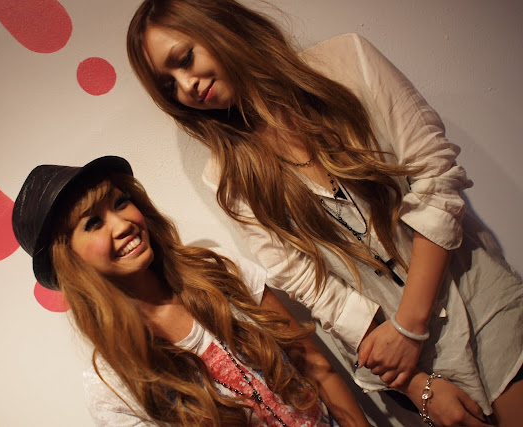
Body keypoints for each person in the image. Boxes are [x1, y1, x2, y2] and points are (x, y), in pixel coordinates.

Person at [126, 0, 523, 425]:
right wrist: (414, 382)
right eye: (169, 85)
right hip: (398, 358)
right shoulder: (228, 175)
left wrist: (409, 326)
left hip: (472, 294)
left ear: (219, 26)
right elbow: (308, 283)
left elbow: (436, 180)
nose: (186, 85)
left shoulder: (347, 63)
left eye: (184, 59)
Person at [11, 155, 371, 426]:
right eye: (93, 223)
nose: (123, 224)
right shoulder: (112, 387)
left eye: (120, 202)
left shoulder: (218, 272)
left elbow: (315, 366)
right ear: (69, 259)